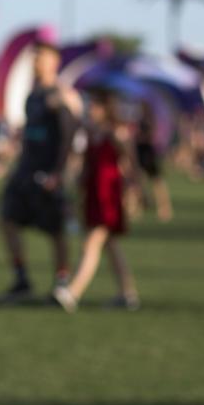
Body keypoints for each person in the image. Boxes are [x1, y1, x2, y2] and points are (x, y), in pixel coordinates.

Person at [0, 37, 78, 301]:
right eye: (34, 58)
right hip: (25, 170)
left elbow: (69, 136)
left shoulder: (62, 95)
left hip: (49, 173)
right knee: (8, 219)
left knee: (55, 231)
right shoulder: (32, 95)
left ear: (54, 61)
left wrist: (58, 172)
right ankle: (21, 279)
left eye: (41, 57)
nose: (36, 63)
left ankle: (61, 283)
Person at [53, 90, 138, 312]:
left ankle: (73, 292)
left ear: (105, 108)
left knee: (91, 243)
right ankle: (127, 294)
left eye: (94, 105)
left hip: (109, 197)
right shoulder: (91, 133)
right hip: (93, 194)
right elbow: (87, 166)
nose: (90, 109)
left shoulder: (115, 133)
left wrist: (135, 192)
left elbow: (130, 164)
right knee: (110, 245)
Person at [135, 101, 173, 221]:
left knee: (156, 181)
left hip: (147, 153)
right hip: (140, 151)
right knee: (139, 181)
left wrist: (141, 137)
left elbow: (152, 136)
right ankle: (140, 206)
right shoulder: (139, 120)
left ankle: (164, 208)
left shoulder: (150, 120)